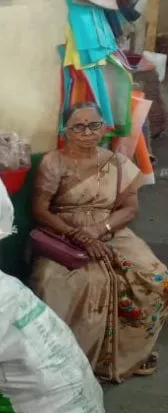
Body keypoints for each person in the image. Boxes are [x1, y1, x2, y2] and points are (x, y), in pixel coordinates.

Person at [31, 101, 168, 383]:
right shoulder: (53, 162)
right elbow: (40, 209)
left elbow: (130, 209)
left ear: (103, 129)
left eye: (94, 125)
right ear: (66, 130)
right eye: (78, 126)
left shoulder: (117, 163)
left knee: (155, 276)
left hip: (110, 229)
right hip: (64, 233)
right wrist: (76, 234)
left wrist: (99, 228)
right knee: (69, 281)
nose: (87, 132)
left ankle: (126, 354)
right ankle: (71, 364)